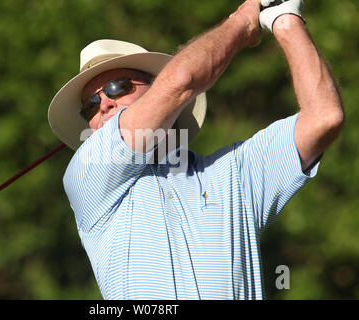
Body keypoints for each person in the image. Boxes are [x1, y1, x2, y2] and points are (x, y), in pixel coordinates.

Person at [48, 0, 344, 299]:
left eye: (117, 87)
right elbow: (181, 81)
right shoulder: (88, 168)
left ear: (154, 89)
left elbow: (324, 117)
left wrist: (285, 18)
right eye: (90, 105)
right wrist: (243, 21)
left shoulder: (233, 174)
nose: (105, 104)